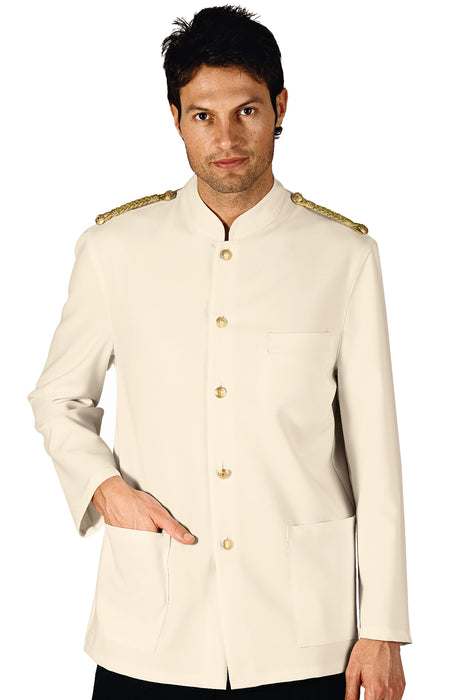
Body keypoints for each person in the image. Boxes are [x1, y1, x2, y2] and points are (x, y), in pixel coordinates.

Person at [27, 5, 413, 699]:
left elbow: (375, 456)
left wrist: (382, 627)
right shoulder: (115, 250)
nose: (227, 138)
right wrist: (106, 490)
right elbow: (58, 398)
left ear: (280, 108)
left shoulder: (343, 256)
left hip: (304, 635)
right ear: (175, 118)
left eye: (247, 111)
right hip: (152, 630)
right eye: (203, 116)